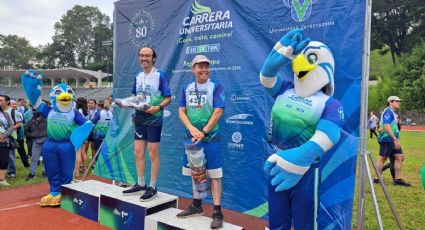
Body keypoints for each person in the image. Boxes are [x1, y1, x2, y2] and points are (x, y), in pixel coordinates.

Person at [176, 55, 225, 230]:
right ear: (193, 69)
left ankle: (217, 211)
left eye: (206, 66)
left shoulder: (215, 86)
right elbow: (181, 111)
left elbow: (218, 112)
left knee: (214, 175)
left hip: (210, 138)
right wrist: (191, 129)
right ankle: (197, 205)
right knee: (195, 171)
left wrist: (203, 132)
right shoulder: (187, 88)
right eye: (200, 66)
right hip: (192, 138)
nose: (204, 69)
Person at [122, 47, 172, 201]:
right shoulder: (138, 77)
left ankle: (153, 186)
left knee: (152, 153)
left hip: (154, 119)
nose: (144, 58)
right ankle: (141, 183)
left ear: (153, 58)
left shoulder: (160, 76)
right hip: (139, 119)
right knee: (138, 153)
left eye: (147, 56)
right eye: (142, 55)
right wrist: (126, 103)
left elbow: (168, 98)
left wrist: (158, 107)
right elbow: (135, 97)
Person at [375, 96, 411, 186]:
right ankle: (377, 178)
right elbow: (387, 126)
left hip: (392, 140)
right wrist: (395, 140)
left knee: (399, 157)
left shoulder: (392, 112)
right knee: (382, 159)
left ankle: (397, 179)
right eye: (397, 101)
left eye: (399, 101)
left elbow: (388, 126)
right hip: (387, 139)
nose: (399, 103)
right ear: (391, 102)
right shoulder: (388, 112)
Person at [0, 95, 30, 179]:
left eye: (1, 100)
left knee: (10, 155)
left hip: (10, 137)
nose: (0, 102)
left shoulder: (13, 112)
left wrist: (10, 129)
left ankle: (12, 172)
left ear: (7, 102)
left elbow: (19, 123)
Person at [25, 111, 47, 180]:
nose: (37, 118)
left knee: (46, 158)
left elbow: (50, 129)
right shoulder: (30, 121)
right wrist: (33, 135)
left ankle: (45, 172)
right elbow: (26, 132)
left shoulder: (45, 120)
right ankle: (32, 173)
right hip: (36, 141)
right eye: (36, 116)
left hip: (46, 140)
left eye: (38, 116)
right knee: (34, 158)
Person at [74, 97, 89, 178]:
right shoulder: (87, 111)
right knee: (83, 152)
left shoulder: (78, 111)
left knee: (78, 153)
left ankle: (77, 171)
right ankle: (85, 168)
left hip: (79, 132)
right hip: (85, 133)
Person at [0, 105, 14, 186]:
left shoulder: (5, 114)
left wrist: (4, 135)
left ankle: (1, 179)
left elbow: (11, 126)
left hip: (4, 140)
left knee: (4, 160)